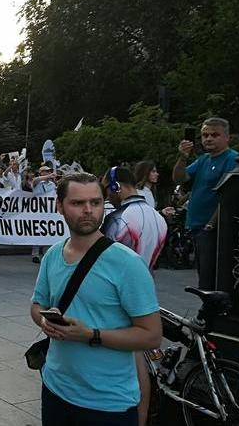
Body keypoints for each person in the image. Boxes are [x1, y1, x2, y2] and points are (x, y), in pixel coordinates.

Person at [31, 173, 161, 426]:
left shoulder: (127, 263)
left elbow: (152, 335)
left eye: (96, 202)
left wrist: (91, 334)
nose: (88, 210)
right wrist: (44, 322)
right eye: (77, 203)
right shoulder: (52, 255)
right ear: (59, 206)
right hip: (55, 389)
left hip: (107, 403)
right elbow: (38, 305)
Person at [100, 166, 168, 426]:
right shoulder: (157, 217)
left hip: (120, 297)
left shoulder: (120, 219)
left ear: (116, 186)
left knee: (132, 363)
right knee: (140, 360)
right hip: (146, 290)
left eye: (108, 188)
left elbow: (105, 261)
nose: (108, 194)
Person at [173, 117, 239, 289]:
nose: (208, 139)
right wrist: (182, 157)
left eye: (214, 134)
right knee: (203, 273)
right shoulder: (204, 159)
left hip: (215, 230)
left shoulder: (232, 159)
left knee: (213, 276)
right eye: (205, 135)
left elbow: (229, 196)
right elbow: (179, 178)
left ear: (227, 137)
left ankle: (213, 312)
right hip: (197, 226)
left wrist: (211, 224)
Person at [31, 165, 58, 264]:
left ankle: (47, 254)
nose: (47, 173)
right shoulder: (37, 183)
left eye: (48, 171)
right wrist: (48, 176)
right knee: (37, 232)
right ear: (41, 173)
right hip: (38, 211)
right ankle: (35, 254)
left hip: (49, 211)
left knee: (48, 230)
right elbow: (34, 180)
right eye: (45, 172)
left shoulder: (52, 184)